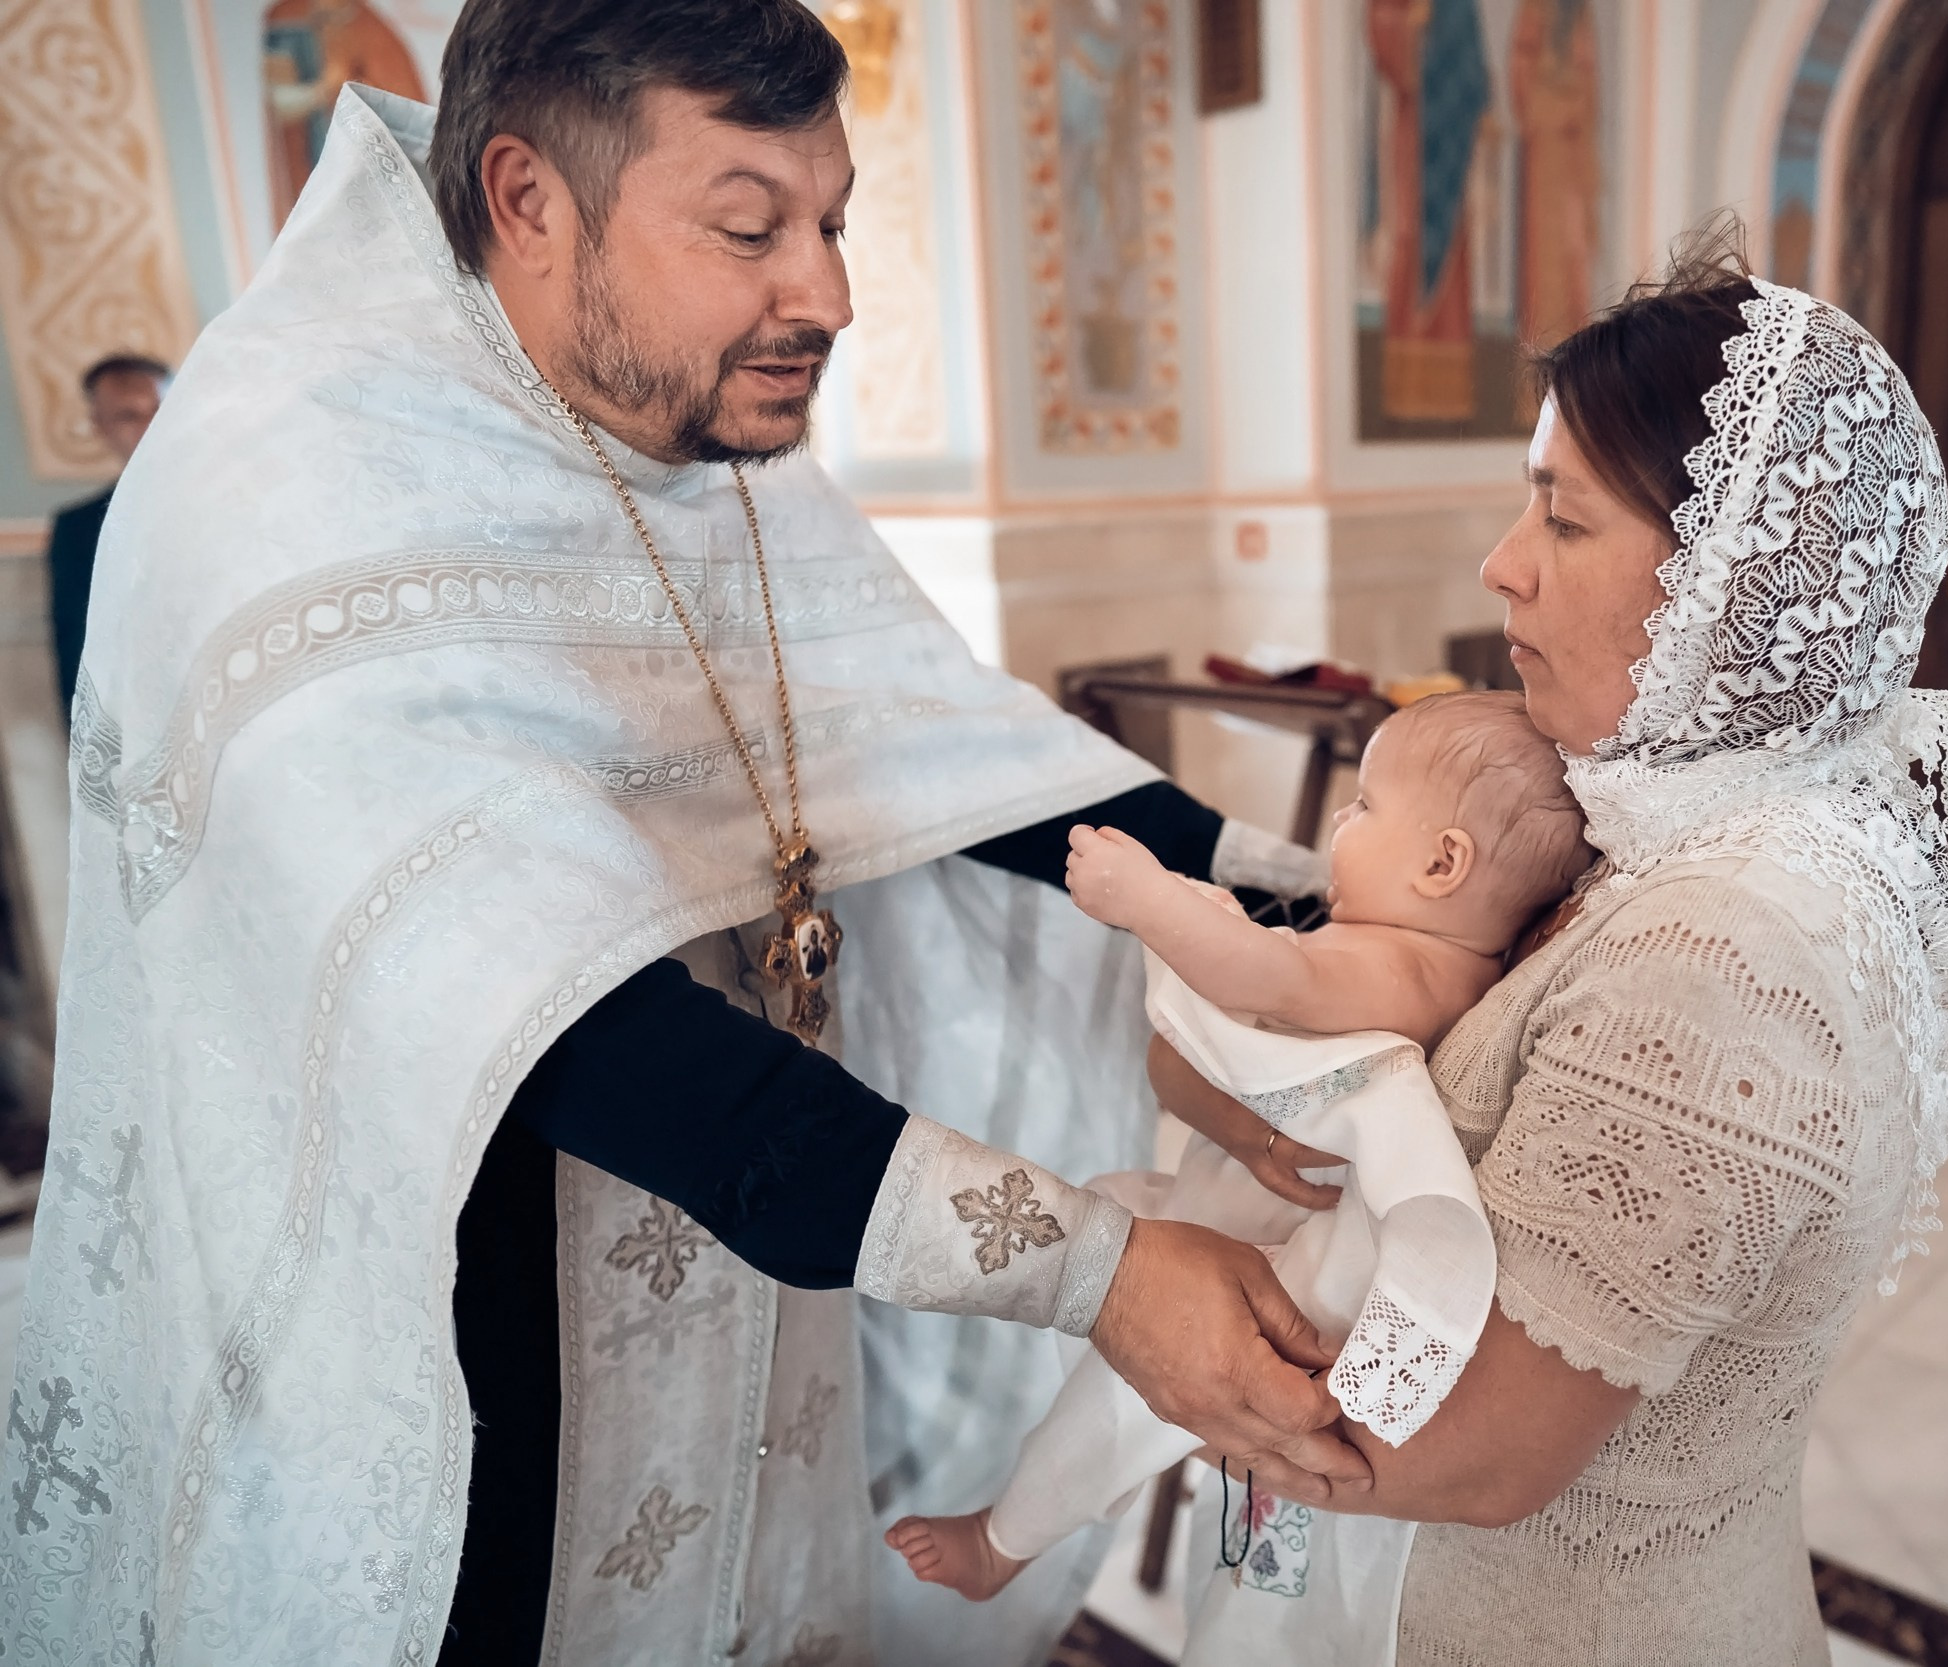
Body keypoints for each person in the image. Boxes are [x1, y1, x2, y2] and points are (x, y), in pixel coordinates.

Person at [0, 5, 1367, 1664]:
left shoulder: (694, 431)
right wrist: (1099, 1270)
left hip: (751, 1259)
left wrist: (1312, 903)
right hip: (452, 1317)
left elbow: (947, 749)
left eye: (835, 220)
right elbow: (550, 1016)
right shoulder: (283, 480)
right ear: (529, 200)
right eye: (750, 228)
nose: (831, 294)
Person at [1158, 234, 1948, 1664]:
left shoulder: (1724, 945)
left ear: (1730, 576)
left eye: (1561, 520)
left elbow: (1460, 1452)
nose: (1502, 566)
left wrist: (1115, 1284)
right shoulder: (1665, 818)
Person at [888, 693, 1588, 1661]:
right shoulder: (1433, 963)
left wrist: (1149, 899)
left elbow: (1267, 978)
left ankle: (1005, 1535)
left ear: (1442, 863)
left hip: (1281, 1265)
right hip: (1253, 1216)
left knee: (1121, 1403)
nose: (1339, 827)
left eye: (1363, 807)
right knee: (1222, 1504)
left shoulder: (1404, 970)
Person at [46, 353, 167, 717]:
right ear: (99, 425)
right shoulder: (78, 529)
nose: (150, 427)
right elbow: (76, 655)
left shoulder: (237, 503)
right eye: (129, 416)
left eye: (161, 410)